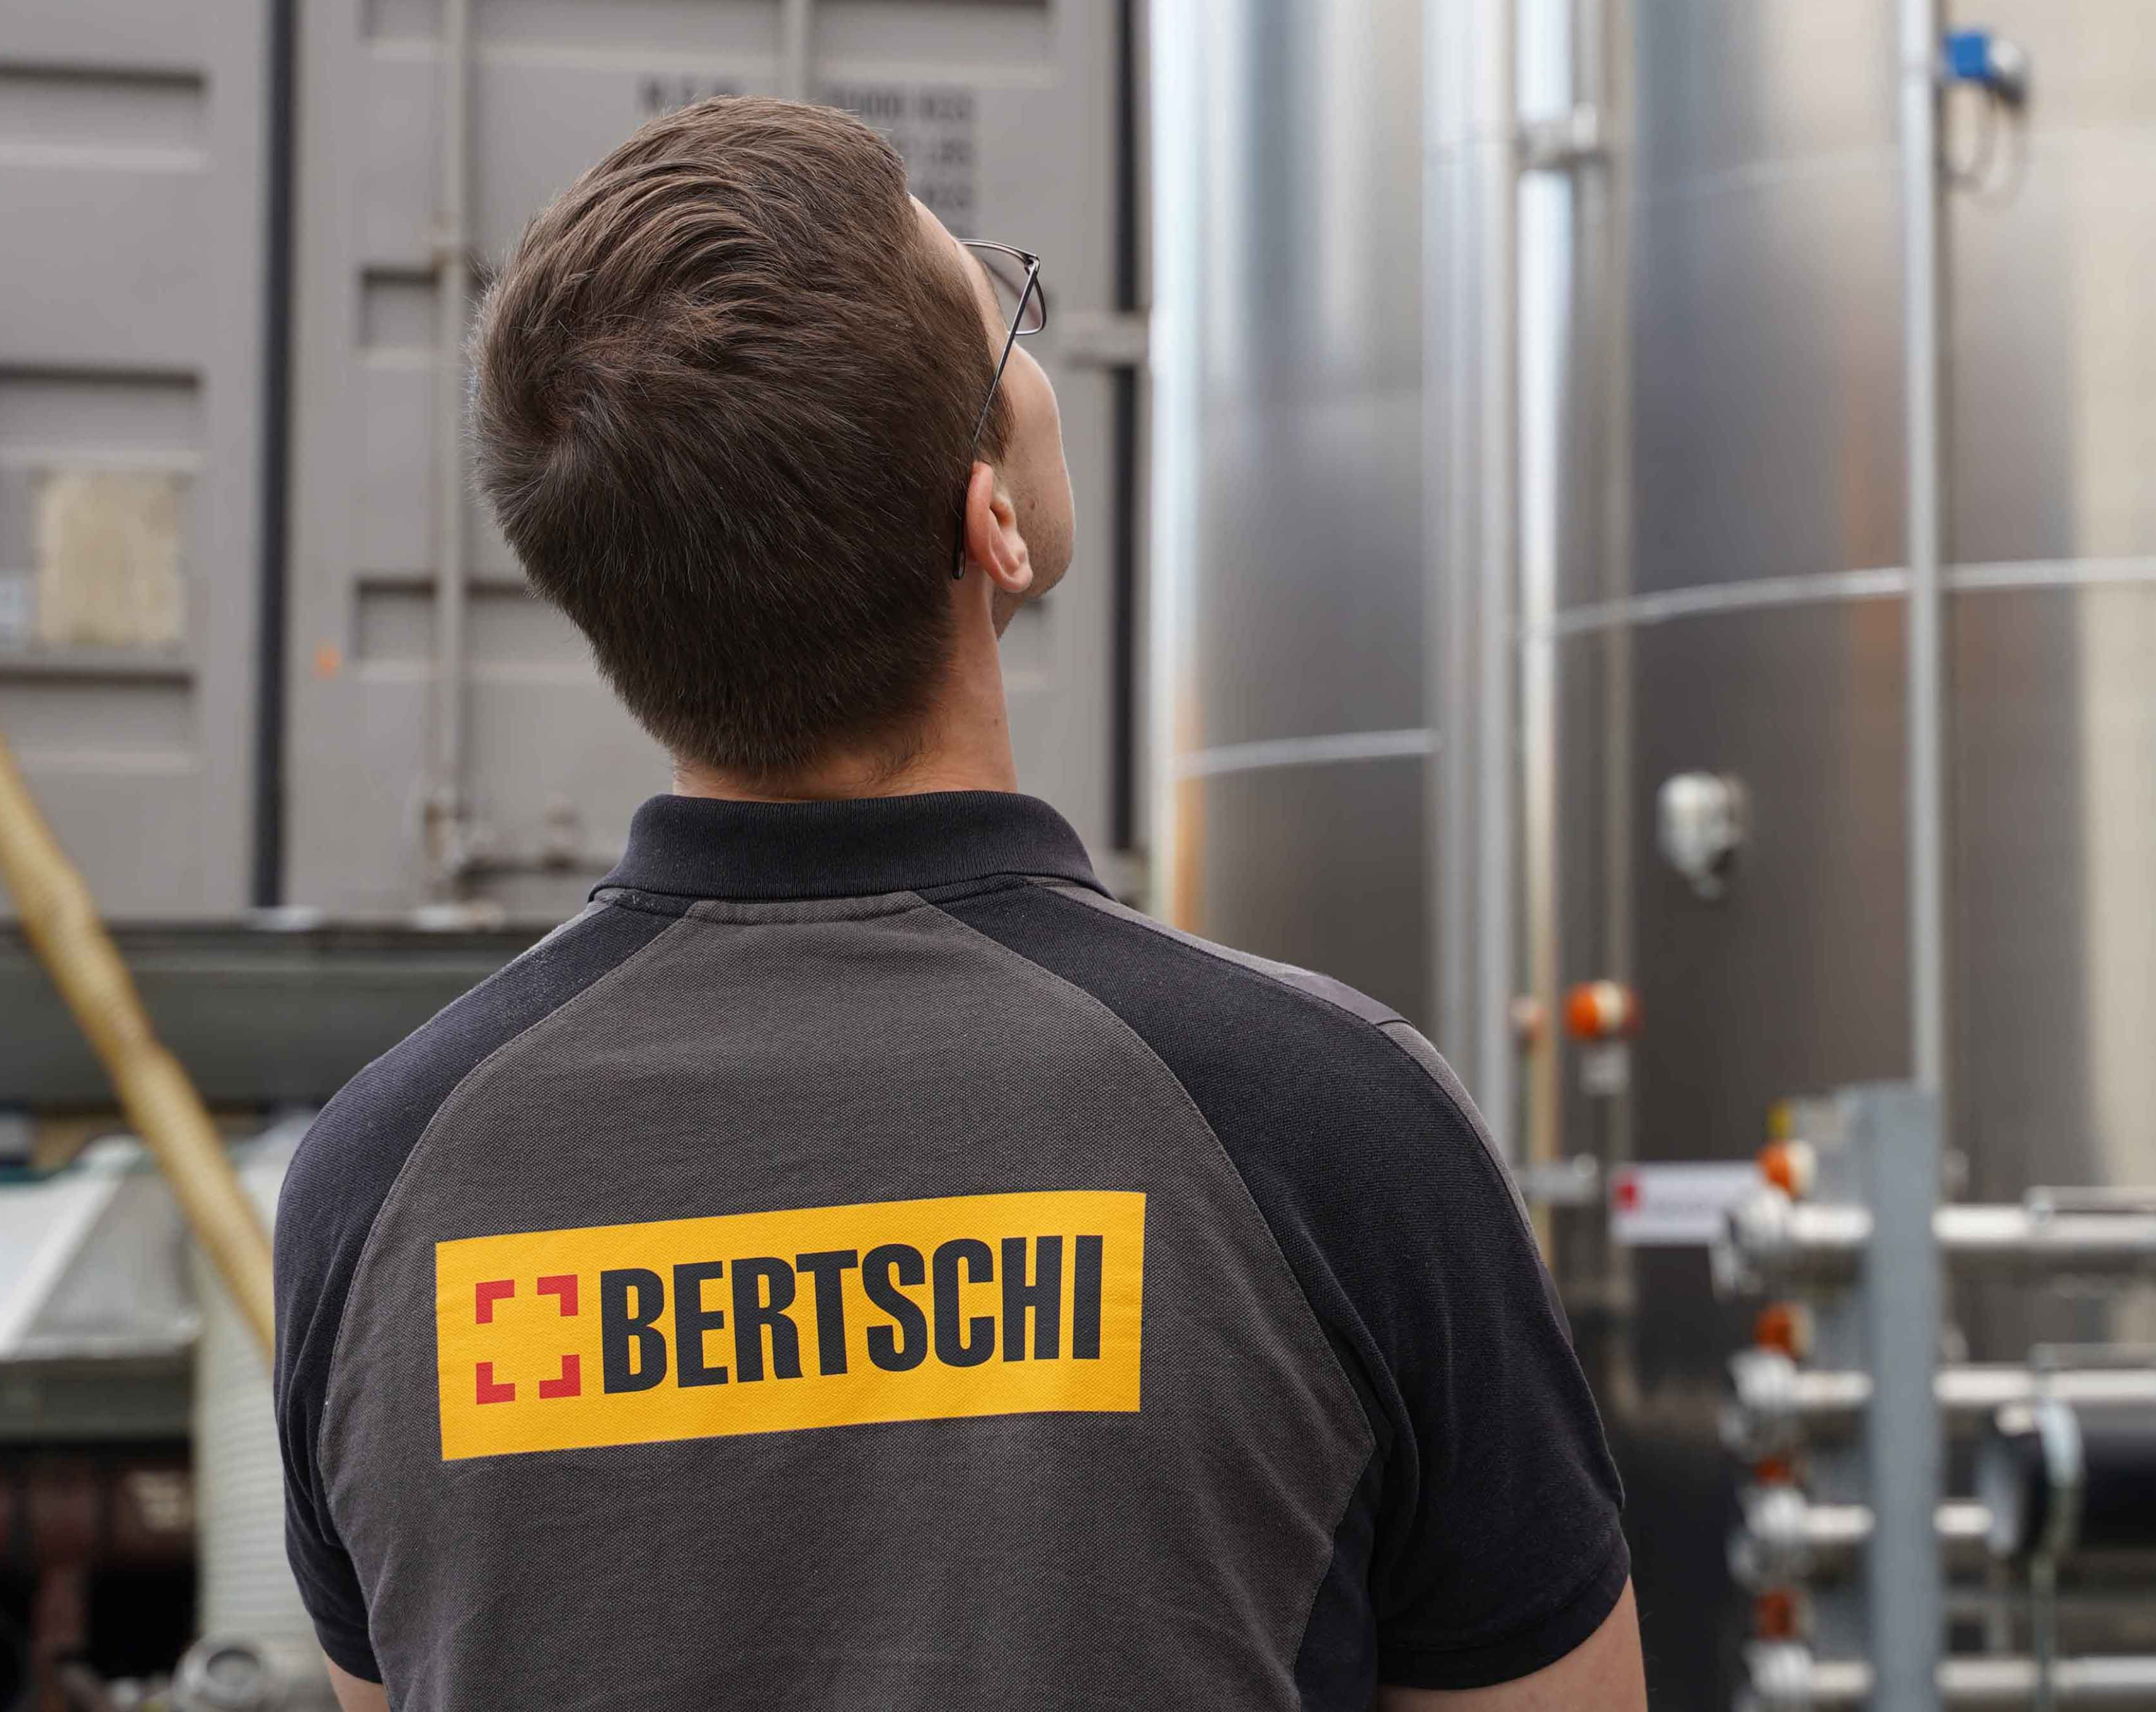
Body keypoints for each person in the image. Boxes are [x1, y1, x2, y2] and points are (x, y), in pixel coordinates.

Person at [272, 97, 1640, 1710]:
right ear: (987, 520)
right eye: (1005, 315)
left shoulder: (382, 1180)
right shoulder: (1327, 1123)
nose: (1028, 341)